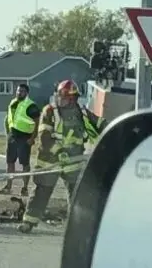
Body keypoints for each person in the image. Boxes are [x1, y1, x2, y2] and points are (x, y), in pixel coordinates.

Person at [18, 80, 107, 234]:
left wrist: (115, 130)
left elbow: (100, 124)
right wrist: (60, 152)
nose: (72, 101)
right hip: (50, 161)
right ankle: (29, 222)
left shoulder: (82, 112)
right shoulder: (50, 111)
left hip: (74, 161)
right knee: (42, 191)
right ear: (60, 96)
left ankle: (79, 227)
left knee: (78, 193)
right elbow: (44, 137)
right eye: (68, 97)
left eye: (74, 98)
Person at [0, 83, 41, 197]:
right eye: (18, 91)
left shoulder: (31, 105)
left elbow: (37, 122)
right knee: (10, 162)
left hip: (25, 138)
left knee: (24, 163)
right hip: (13, 136)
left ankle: (25, 188)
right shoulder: (13, 102)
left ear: (26, 93)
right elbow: (9, 118)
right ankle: (8, 186)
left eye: (21, 91)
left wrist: (33, 138)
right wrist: (8, 133)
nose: (19, 93)